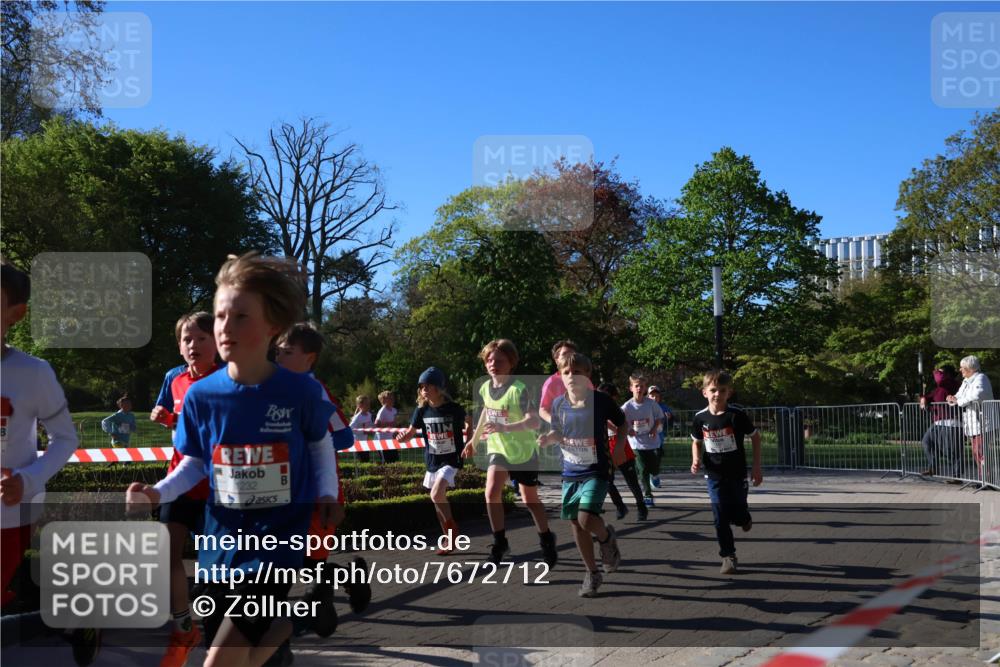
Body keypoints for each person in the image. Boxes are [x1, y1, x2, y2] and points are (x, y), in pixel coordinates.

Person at [126, 252, 342, 667]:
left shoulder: (300, 392)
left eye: (241, 316)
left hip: (279, 537)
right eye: (221, 315)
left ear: (272, 327)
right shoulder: (201, 397)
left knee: (220, 658)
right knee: (235, 647)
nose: (225, 327)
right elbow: (194, 463)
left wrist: (328, 491)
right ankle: (297, 623)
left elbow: (319, 444)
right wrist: (157, 492)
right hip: (221, 541)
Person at [0, 259, 100, 665]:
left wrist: (30, 478)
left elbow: (65, 438)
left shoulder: (33, 373)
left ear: (15, 313)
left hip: (8, 515)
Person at [275, 324, 371, 637]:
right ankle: (331, 594)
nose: (278, 356)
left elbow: (345, 436)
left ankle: (318, 605)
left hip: (318, 489)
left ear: (309, 359)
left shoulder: (315, 390)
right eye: (277, 350)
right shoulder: (272, 388)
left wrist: (308, 444)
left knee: (310, 559)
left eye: (287, 352)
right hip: (284, 487)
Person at [150, 311, 220, 667]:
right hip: (178, 480)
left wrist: (176, 420)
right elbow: (165, 412)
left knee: (213, 569)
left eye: (201, 338)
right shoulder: (173, 378)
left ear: (217, 343)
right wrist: (161, 415)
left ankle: (217, 637)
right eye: (186, 339)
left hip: (217, 489)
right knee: (166, 554)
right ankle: (183, 627)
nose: (193, 345)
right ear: (179, 347)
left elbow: (211, 433)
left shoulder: (226, 380)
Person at [462, 339, 557, 566]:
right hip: (498, 449)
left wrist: (505, 427)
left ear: (511, 363)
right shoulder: (485, 387)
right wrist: (473, 441)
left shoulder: (518, 389)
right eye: (490, 360)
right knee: (491, 492)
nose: (493, 364)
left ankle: (546, 539)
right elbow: (487, 411)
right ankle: (499, 542)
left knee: (530, 500)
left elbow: (534, 421)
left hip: (523, 451)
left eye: (500, 360)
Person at [537, 353, 625, 597]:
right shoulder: (558, 404)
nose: (572, 376)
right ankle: (592, 572)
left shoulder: (601, 401)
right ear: (560, 377)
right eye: (567, 372)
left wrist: (618, 447)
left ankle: (606, 539)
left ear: (588, 376)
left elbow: (622, 422)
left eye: (577, 372)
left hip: (597, 469)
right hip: (571, 470)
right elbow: (557, 431)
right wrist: (548, 438)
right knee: (575, 522)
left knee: (586, 518)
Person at [690, 370, 762, 575]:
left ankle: (744, 519)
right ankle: (728, 556)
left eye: (722, 390)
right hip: (714, 475)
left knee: (738, 515)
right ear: (704, 392)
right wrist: (696, 459)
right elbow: (696, 442)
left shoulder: (736, 416)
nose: (717, 395)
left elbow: (756, 438)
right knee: (720, 516)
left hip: (737, 474)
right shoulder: (700, 418)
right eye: (713, 390)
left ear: (729, 393)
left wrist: (757, 466)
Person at [395, 367, 466, 555]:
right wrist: (403, 437)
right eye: (421, 386)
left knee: (436, 494)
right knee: (437, 500)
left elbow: (470, 421)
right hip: (432, 460)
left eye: (428, 385)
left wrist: (472, 441)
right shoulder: (422, 411)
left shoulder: (454, 409)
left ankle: (452, 533)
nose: (424, 389)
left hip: (451, 459)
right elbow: (410, 433)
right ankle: (448, 538)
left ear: (439, 387)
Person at [597, 383, 646, 521]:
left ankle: (641, 506)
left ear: (613, 397)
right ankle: (620, 506)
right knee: (606, 481)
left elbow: (623, 428)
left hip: (620, 445)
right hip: (605, 447)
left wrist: (610, 423)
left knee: (632, 481)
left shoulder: (616, 410)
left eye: (605, 396)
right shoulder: (594, 409)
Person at [620, 372, 665, 506]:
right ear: (631, 388)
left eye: (642, 386)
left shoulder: (651, 404)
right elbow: (620, 422)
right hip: (636, 443)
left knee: (654, 467)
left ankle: (655, 475)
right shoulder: (627, 406)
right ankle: (648, 495)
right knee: (643, 469)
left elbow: (659, 417)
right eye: (636, 386)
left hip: (652, 441)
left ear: (645, 389)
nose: (639, 389)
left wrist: (653, 429)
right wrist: (628, 430)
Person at [946, 355, 994, 478]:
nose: (960, 370)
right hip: (974, 423)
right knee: (977, 452)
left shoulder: (981, 378)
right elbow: (958, 396)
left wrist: (958, 401)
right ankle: (984, 478)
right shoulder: (966, 381)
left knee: (980, 451)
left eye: (962, 367)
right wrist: (952, 398)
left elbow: (977, 395)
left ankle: (987, 480)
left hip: (983, 423)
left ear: (970, 368)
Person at [918, 364, 962, 477]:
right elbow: (929, 396)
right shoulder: (939, 388)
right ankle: (933, 467)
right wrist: (924, 399)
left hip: (952, 423)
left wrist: (936, 371)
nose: (938, 374)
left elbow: (940, 379)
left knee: (952, 451)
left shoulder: (953, 384)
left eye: (941, 372)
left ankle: (956, 476)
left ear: (947, 374)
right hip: (937, 423)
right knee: (926, 442)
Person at [375, 390, 400, 464]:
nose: (393, 399)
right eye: (390, 398)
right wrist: (390, 424)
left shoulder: (394, 410)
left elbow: (395, 424)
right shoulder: (382, 410)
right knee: (386, 462)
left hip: (391, 439)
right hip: (382, 440)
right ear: (384, 400)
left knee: (395, 460)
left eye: (393, 397)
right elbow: (377, 424)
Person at [350, 395, 375, 463]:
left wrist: (373, 427)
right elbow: (350, 429)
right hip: (357, 443)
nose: (368, 406)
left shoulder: (369, 415)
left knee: (367, 460)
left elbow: (370, 425)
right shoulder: (357, 417)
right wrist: (363, 432)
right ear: (360, 405)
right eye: (366, 404)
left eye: (369, 404)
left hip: (366, 442)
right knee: (361, 461)